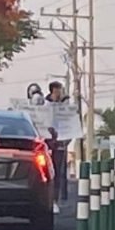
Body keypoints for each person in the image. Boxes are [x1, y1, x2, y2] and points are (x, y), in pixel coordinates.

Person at [44, 81, 72, 214]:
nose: (60, 93)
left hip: (60, 143)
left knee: (57, 172)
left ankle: (55, 200)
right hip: (47, 143)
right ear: (53, 91)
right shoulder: (45, 105)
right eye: (58, 90)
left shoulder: (65, 106)